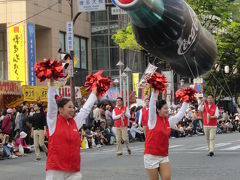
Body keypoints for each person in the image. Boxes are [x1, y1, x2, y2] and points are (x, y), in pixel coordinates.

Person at [46, 79, 98, 180]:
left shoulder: (75, 122)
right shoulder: (53, 122)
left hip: (73, 170)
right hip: (56, 170)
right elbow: (52, 105)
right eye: (69, 107)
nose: (73, 110)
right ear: (60, 109)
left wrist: (95, 91)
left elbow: (85, 109)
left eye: (73, 107)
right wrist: (52, 83)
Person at [144, 90, 188, 180]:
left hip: (163, 155)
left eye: (167, 108)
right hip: (151, 156)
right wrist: (155, 90)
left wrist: (187, 100)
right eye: (165, 108)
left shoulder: (169, 121)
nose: (167, 110)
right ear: (158, 110)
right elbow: (152, 104)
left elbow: (180, 114)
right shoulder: (153, 120)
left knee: (167, 178)